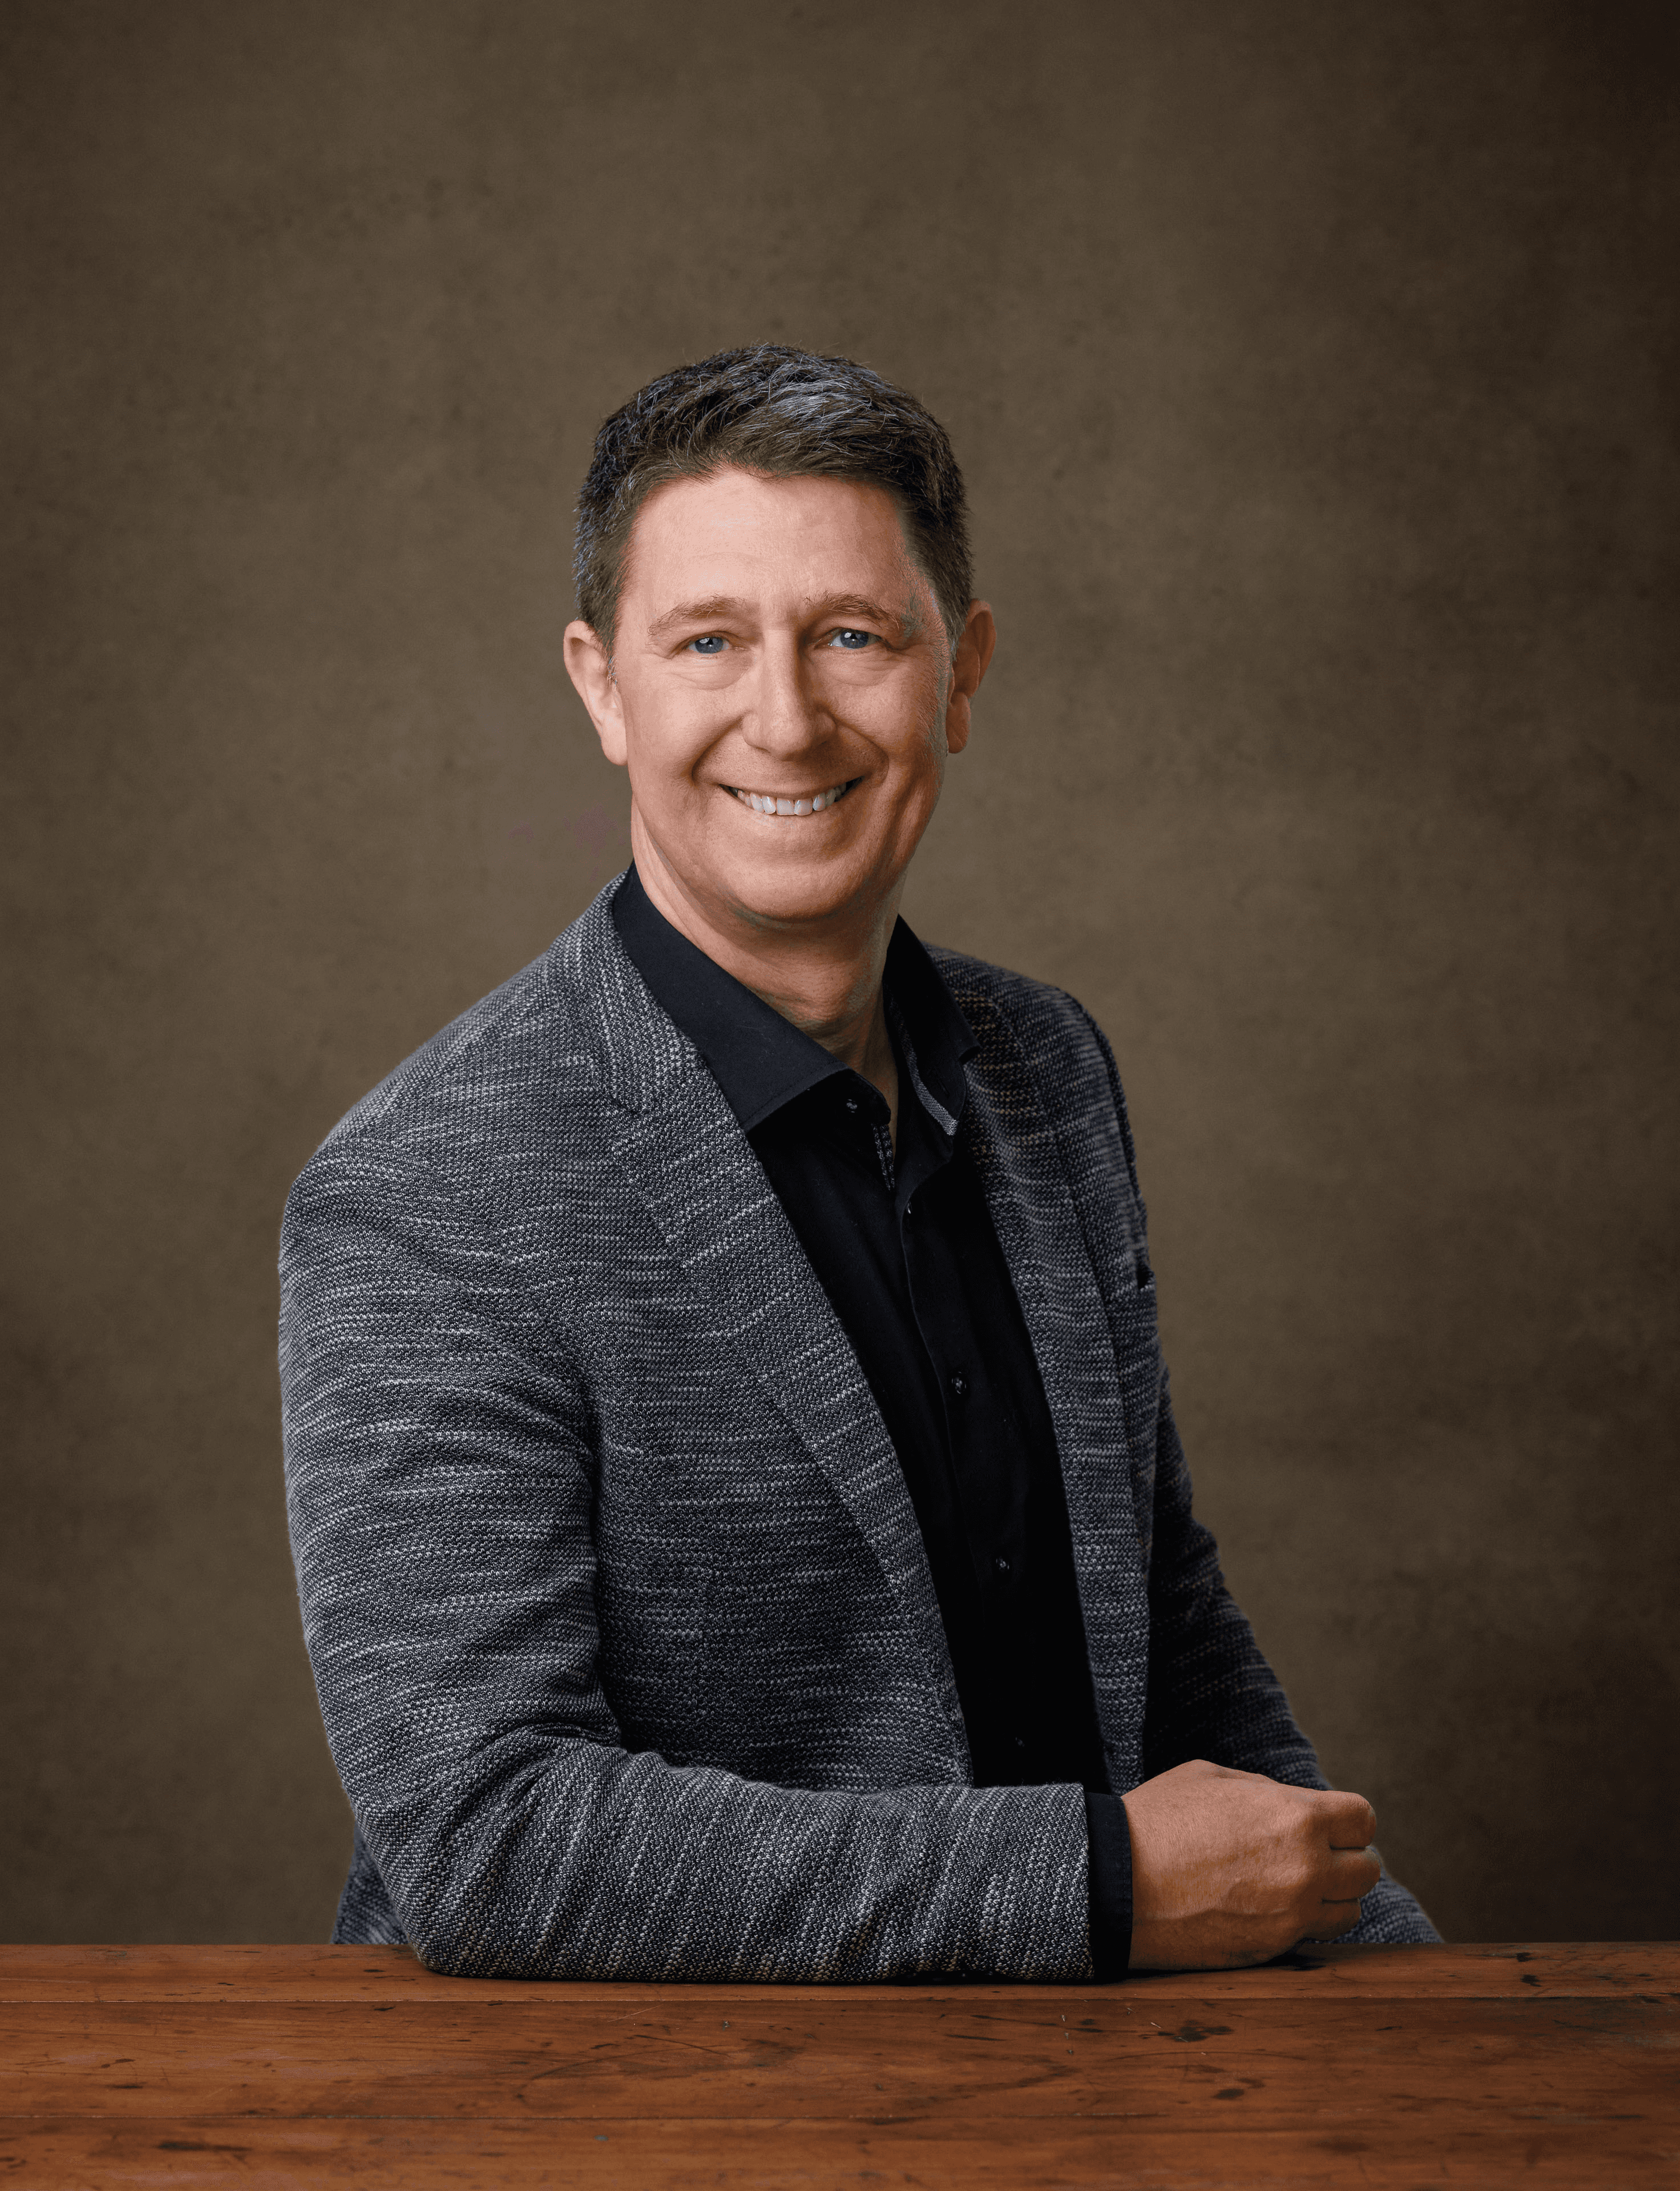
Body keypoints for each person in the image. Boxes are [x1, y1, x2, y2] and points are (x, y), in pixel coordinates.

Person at [278, 346, 1436, 1980]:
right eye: (708, 642)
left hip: (1098, 2094)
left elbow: (1165, 1641)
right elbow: (489, 1837)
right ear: (603, 687)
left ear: (957, 672)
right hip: (628, 2126)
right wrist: (1095, 1881)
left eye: (851, 636)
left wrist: (1401, 1980)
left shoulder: (1050, 1072)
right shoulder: (428, 1189)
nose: (788, 717)